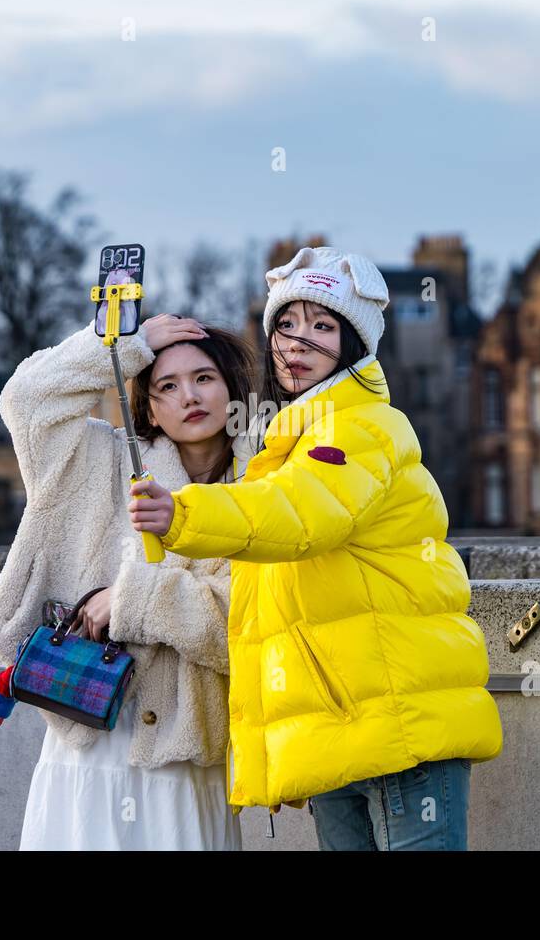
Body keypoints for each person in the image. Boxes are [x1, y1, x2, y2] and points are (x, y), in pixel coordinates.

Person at [129, 246, 504, 851]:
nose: (297, 342)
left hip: (394, 728)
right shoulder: (293, 437)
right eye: (286, 324)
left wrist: (182, 514)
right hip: (342, 731)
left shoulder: (358, 427)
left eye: (322, 326)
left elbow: (300, 515)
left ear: (354, 344)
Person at [0, 312, 258, 850]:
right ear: (147, 404)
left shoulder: (264, 488)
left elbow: (247, 625)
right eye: (167, 385)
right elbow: (26, 402)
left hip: (186, 755)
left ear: (233, 389)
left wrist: (129, 601)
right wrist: (126, 344)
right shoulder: (99, 458)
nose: (188, 396)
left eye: (204, 378)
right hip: (89, 738)